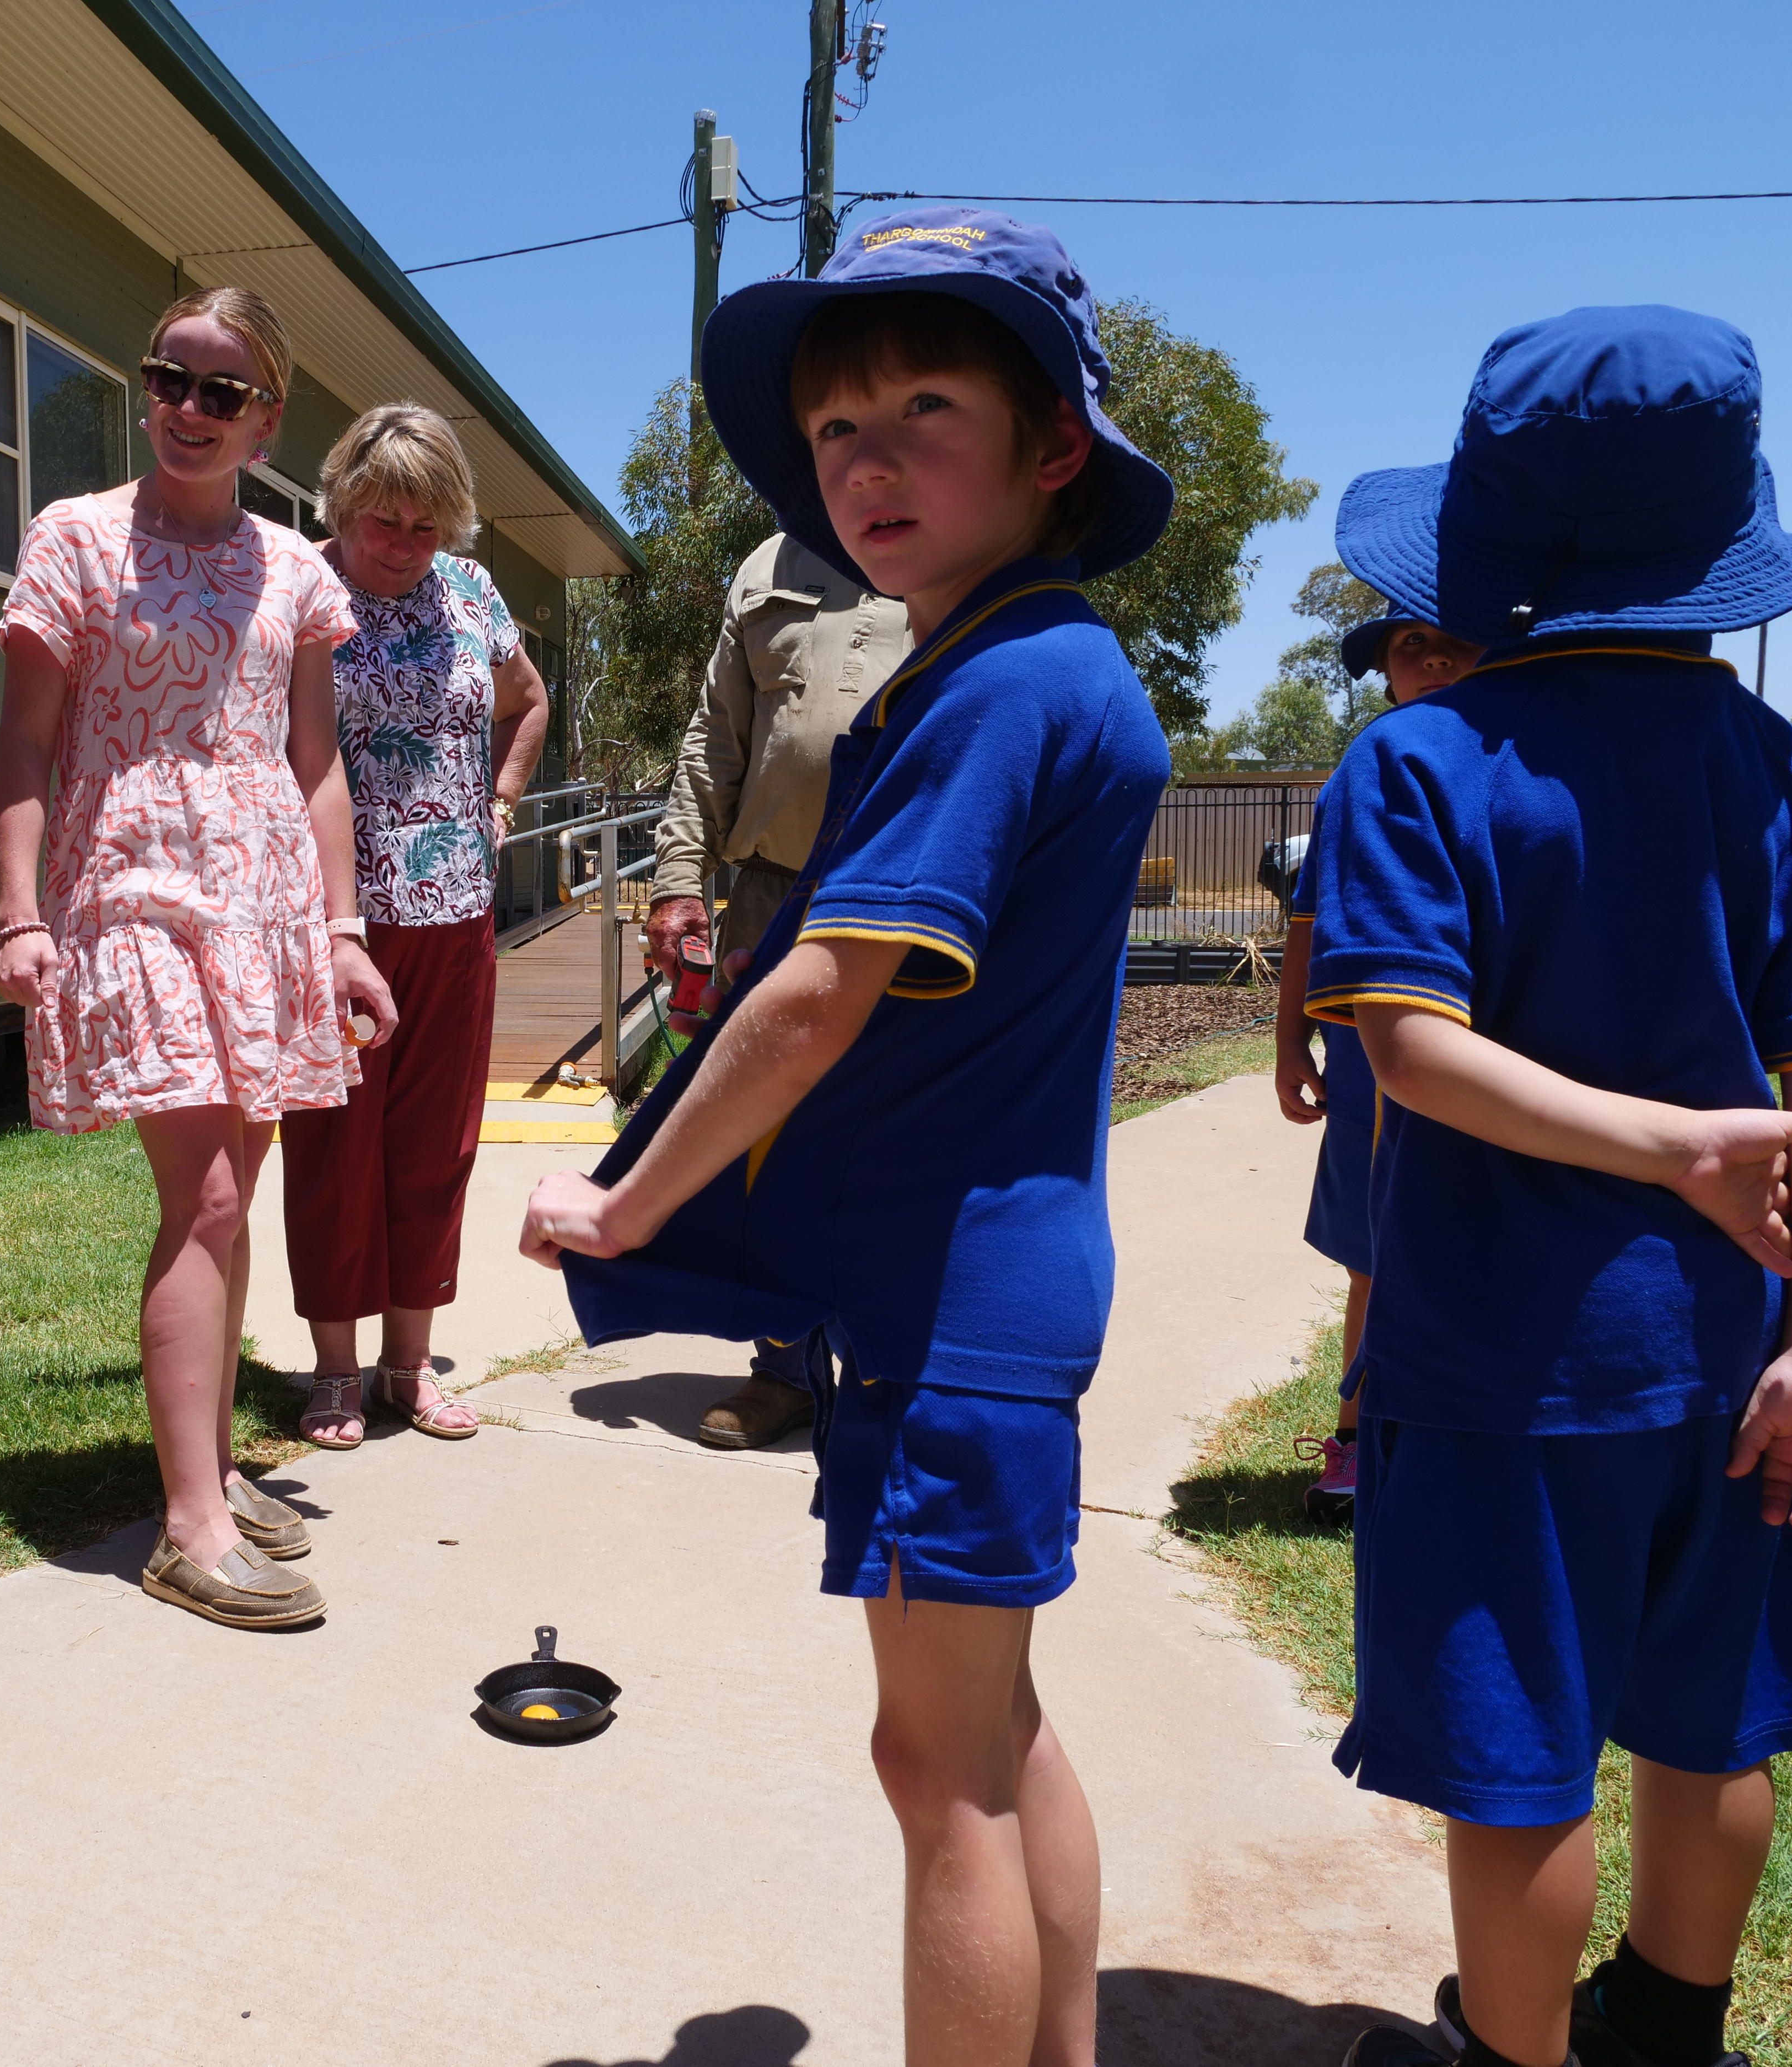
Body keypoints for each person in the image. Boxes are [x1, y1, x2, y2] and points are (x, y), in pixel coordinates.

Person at [521, 208, 1178, 2067]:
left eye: (925, 408)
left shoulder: (997, 688)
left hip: (953, 1304)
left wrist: (627, 1193)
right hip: (985, 1285)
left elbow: (812, 990)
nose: (870, 461)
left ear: (1053, 446)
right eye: (836, 433)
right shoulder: (1032, 663)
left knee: (939, 1775)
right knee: (990, 1731)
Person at [1305, 306, 1792, 2067]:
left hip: (1500, 1352)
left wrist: (1659, 1143)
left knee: (1520, 1750)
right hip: (1739, 1345)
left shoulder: (1419, 760)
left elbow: (1411, 1048)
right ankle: (1669, 2038)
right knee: (1717, 1716)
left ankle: (1510, 2057)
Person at [0, 285, 392, 1632]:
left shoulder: (298, 569)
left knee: (237, 1190)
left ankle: (208, 1462)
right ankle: (190, 1527)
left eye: (224, 392)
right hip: (130, 889)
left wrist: (341, 931)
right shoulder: (76, 540)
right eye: (172, 379)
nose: (191, 410)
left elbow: (318, 766)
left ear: (267, 418)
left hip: (268, 900)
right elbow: (24, 747)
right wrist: (19, 910)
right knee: (209, 1196)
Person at [281, 403, 548, 1448]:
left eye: (423, 526)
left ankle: (409, 1364)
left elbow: (527, 700)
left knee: (435, 1142)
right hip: (334, 922)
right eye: (381, 520)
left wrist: (501, 802)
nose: (400, 545)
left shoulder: (475, 594)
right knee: (336, 1140)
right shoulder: (299, 588)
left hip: (455, 919)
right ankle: (337, 1370)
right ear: (342, 502)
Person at [645, 531, 908, 1450]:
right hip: (772, 894)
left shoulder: (951, 525)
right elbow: (716, 733)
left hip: (908, 895)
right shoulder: (765, 565)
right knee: (770, 1142)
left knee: (895, 1136)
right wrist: (680, 875)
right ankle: (783, 1369)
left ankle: (892, 1365)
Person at [1273, 614, 1483, 1521]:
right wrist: (1290, 1042)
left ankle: (1457, 1436)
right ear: (1385, 677)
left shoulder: (1516, 760)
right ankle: (1356, 1439)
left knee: (1478, 1246)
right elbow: (1309, 928)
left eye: (1456, 642)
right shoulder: (1364, 773)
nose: (1433, 659)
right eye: (1409, 648)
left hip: (1488, 1056)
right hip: (1368, 1067)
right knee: (1372, 1258)